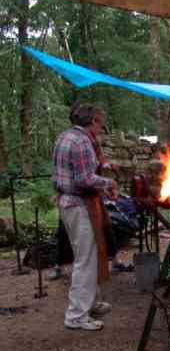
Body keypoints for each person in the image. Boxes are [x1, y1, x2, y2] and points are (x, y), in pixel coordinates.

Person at [52, 104, 118, 331]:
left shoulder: (66, 135)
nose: (101, 128)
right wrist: (108, 182)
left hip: (70, 203)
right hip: (78, 205)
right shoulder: (81, 142)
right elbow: (83, 178)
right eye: (100, 123)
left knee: (90, 254)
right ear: (91, 122)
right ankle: (76, 316)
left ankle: (91, 302)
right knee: (86, 260)